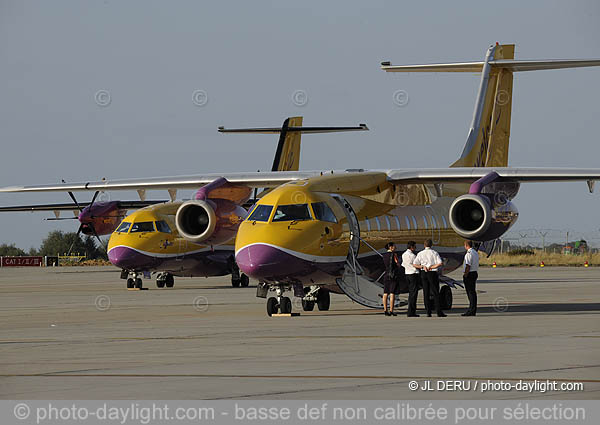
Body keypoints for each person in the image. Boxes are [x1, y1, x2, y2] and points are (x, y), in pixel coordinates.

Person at [413, 239, 446, 317]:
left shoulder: (420, 253)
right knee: (435, 292)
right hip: (432, 272)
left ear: (424, 245)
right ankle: (438, 311)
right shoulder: (434, 253)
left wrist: (422, 266)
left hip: (423, 272)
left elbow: (415, 264)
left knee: (426, 292)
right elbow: (440, 263)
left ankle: (428, 311)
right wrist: (431, 267)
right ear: (431, 245)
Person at [402, 241, 420, 317]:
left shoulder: (404, 254)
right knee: (414, 294)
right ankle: (411, 312)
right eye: (415, 246)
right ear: (412, 247)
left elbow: (403, 264)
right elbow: (417, 264)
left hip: (407, 274)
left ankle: (410, 310)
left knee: (411, 293)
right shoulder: (413, 256)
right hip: (413, 274)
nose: (415, 248)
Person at [462, 240, 479, 316]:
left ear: (466, 245)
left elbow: (468, 265)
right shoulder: (475, 253)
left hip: (470, 274)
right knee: (473, 292)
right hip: (474, 272)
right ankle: (473, 309)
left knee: (470, 292)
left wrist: (465, 274)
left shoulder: (468, 254)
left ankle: (471, 310)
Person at [382, 242, 400, 316]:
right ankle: (391, 310)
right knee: (392, 293)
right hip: (393, 275)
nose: (395, 247)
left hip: (386, 274)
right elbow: (397, 264)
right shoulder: (394, 255)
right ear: (391, 247)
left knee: (385, 293)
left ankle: (385, 310)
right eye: (394, 246)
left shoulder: (384, 255)